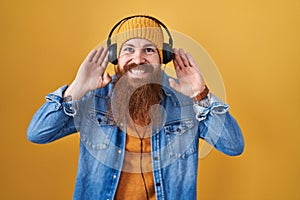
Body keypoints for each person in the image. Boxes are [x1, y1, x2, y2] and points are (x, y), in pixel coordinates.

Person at [27, 15, 244, 200]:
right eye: (128, 49)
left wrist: (200, 93)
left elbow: (233, 146)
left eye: (149, 50)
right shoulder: (94, 98)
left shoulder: (187, 102)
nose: (137, 58)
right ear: (116, 58)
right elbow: (38, 133)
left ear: (163, 58)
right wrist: (75, 89)